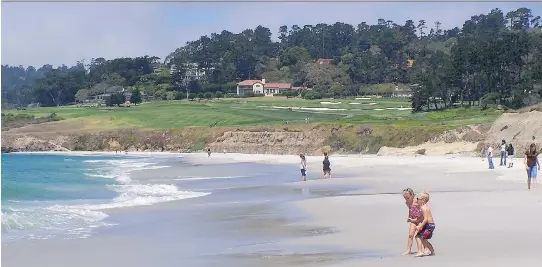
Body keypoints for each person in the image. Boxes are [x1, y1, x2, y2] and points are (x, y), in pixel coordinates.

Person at [414, 191, 436, 257]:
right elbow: (422, 218)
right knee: (423, 239)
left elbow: (425, 219)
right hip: (431, 225)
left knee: (418, 237)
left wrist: (420, 226)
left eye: (417, 199)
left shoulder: (423, 208)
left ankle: (420, 252)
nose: (416, 200)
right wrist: (414, 220)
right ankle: (432, 251)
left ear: (423, 200)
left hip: (428, 225)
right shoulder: (426, 207)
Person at [402, 188, 422, 256]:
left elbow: (423, 208)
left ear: (412, 195)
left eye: (407, 196)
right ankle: (408, 250)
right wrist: (409, 217)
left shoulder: (416, 201)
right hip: (413, 220)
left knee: (420, 235)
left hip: (420, 219)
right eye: (404, 197)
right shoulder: (407, 202)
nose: (406, 198)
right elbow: (410, 210)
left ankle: (425, 249)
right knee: (410, 235)